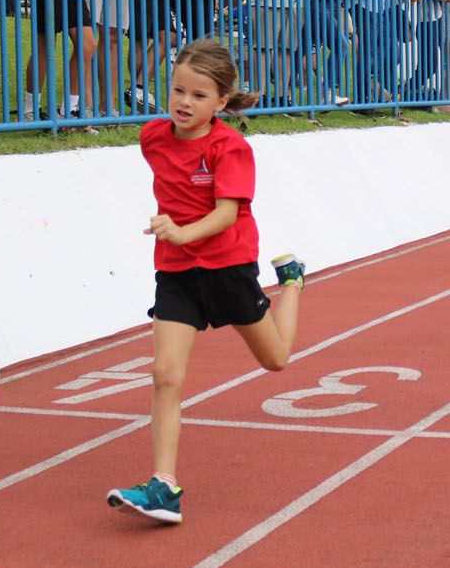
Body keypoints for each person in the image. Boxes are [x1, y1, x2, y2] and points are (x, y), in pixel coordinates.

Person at [106, 39, 304, 524]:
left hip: (227, 266)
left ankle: (293, 282)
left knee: (275, 360)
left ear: (221, 101)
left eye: (198, 95)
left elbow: (225, 214)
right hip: (176, 271)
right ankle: (164, 486)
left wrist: (180, 230)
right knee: (164, 374)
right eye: (178, 90)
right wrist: (175, 239)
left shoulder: (231, 147)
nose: (184, 102)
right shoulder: (152, 137)